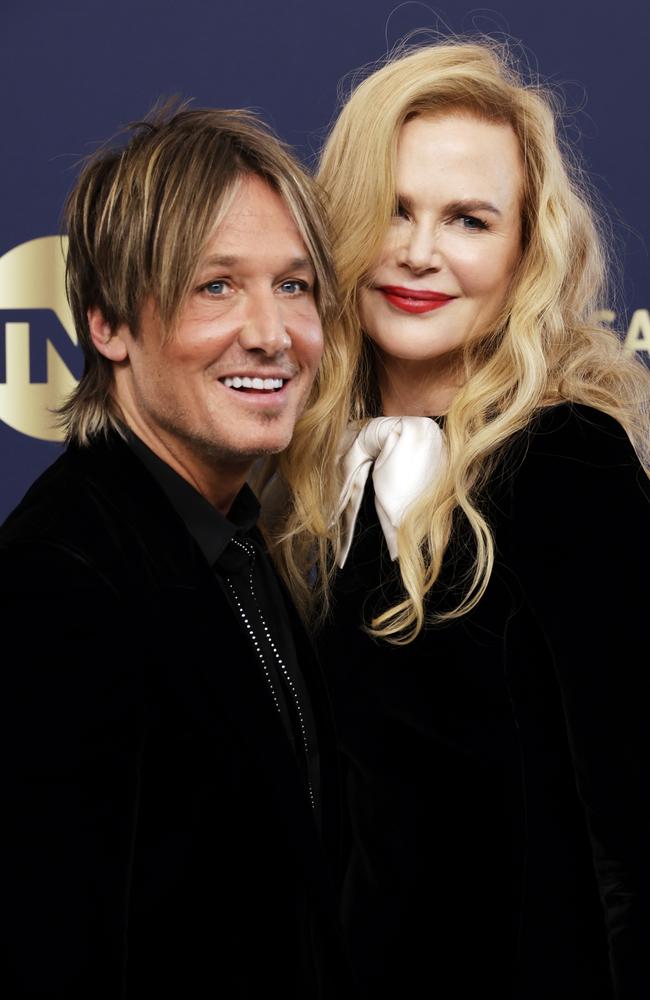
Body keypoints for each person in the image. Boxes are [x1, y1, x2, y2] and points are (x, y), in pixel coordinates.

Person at [262, 40, 650, 999]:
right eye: (393, 208)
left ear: (524, 254)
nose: (419, 252)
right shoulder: (306, 476)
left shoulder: (568, 465)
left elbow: (640, 840)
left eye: (468, 219)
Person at [1, 104, 351, 998]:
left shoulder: (235, 540)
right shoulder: (58, 584)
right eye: (216, 286)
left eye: (296, 285)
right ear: (108, 324)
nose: (273, 334)